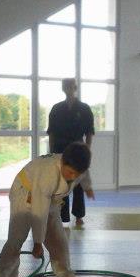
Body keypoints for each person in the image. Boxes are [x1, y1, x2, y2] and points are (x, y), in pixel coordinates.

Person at [0, 142, 94, 277]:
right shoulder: (49, 174)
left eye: (77, 174)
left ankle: (65, 273)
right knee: (16, 239)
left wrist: (88, 188)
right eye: (70, 172)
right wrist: (38, 242)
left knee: (58, 238)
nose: (73, 177)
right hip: (25, 192)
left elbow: (84, 174)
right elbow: (40, 210)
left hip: (51, 198)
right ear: (62, 162)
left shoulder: (78, 167)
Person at [47, 78, 95, 227]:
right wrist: (51, 152)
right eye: (66, 86)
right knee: (62, 183)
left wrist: (87, 150)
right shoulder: (56, 108)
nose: (68, 88)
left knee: (79, 183)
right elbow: (52, 133)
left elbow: (89, 132)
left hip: (78, 150)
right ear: (63, 88)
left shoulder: (85, 108)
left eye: (71, 86)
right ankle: (63, 216)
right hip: (60, 149)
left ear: (75, 88)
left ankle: (79, 215)